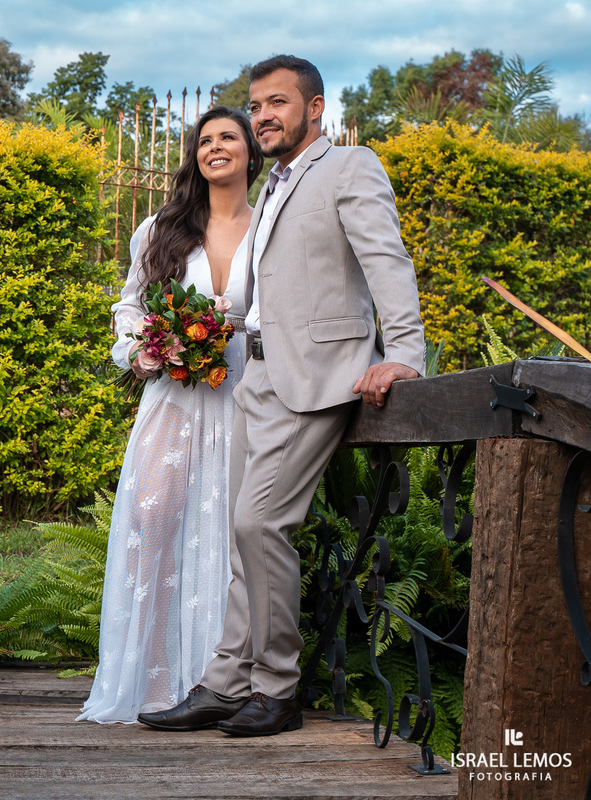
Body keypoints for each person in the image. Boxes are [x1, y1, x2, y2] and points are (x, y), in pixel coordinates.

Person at [137, 55, 425, 736]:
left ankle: (276, 687)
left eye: (278, 103)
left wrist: (404, 353)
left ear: (315, 108)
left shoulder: (350, 168)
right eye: (255, 104)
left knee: (260, 525)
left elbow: (387, 259)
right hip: (256, 378)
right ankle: (227, 681)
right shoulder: (273, 187)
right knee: (244, 537)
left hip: (318, 377)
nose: (263, 115)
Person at [78, 106, 264, 723]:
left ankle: (222, 682)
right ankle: (153, 680)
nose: (216, 147)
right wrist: (145, 349)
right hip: (173, 398)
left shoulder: (270, 228)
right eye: (205, 139)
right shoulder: (160, 230)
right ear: (195, 155)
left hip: (241, 392)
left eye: (228, 137)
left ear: (249, 152)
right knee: (154, 517)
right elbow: (129, 308)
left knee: (235, 532)